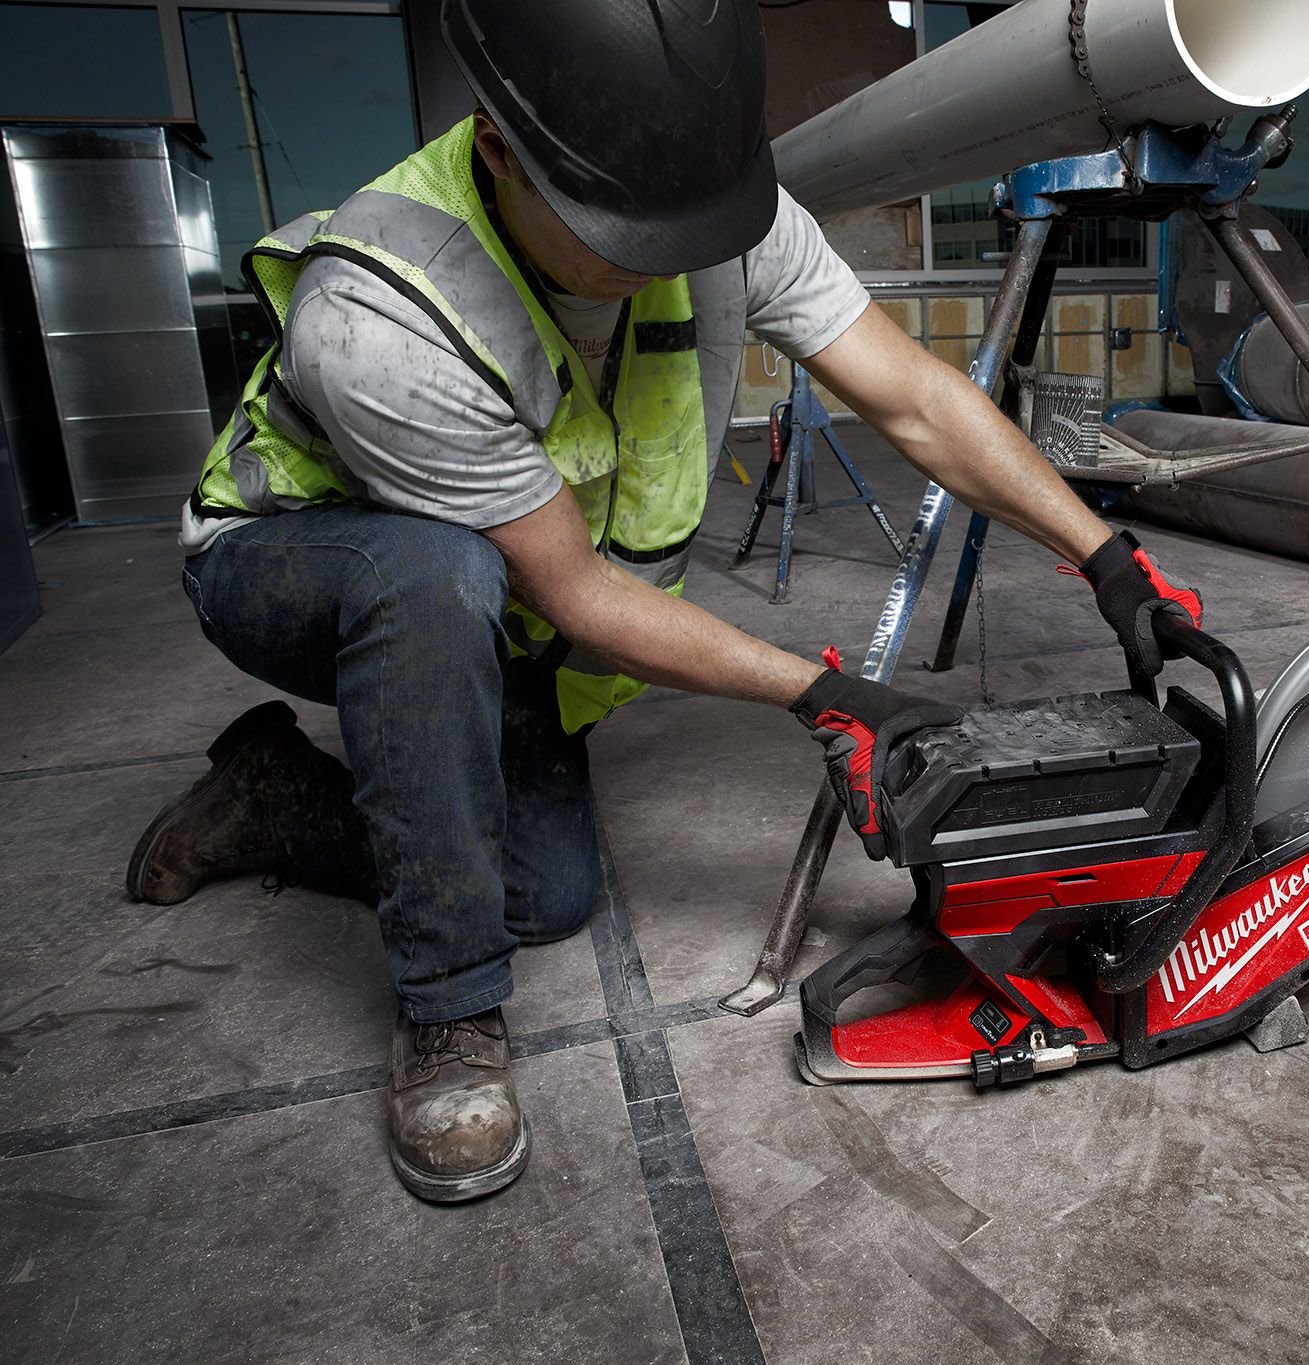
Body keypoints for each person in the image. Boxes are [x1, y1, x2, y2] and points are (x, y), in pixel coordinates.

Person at [125, 0, 1201, 1203]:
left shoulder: (711, 208)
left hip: (503, 597)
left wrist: (1104, 554)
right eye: (622, 228)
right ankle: (447, 1014)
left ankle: (270, 795)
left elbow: (912, 399)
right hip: (296, 563)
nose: (672, 257)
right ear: (496, 147)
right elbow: (574, 589)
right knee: (430, 577)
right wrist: (821, 692)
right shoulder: (383, 319)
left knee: (541, 892)